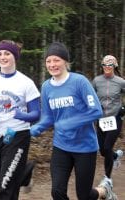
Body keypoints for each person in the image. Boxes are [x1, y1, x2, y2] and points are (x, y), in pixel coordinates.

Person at [30, 42, 118, 200]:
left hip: (85, 147)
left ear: (65, 61)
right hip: (61, 146)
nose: (52, 64)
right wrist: (36, 129)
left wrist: (71, 122)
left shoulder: (79, 82)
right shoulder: (46, 87)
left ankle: (104, 191)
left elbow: (96, 110)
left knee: (84, 195)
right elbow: (49, 117)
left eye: (56, 60)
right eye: (48, 61)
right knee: (57, 191)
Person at [0, 39, 41, 200]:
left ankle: (18, 175)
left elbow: (36, 114)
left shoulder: (26, 83)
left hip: (17, 134)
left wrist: (22, 115)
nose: (3, 57)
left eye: (7, 54)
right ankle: (24, 173)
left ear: (15, 57)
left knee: (7, 182)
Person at [92, 55, 125, 187]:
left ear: (114, 67)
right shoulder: (96, 81)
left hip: (115, 118)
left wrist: (123, 108)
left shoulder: (120, 81)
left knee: (107, 147)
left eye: (110, 65)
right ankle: (115, 156)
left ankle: (107, 178)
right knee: (102, 150)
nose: (107, 67)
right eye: (105, 65)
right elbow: (90, 95)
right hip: (100, 119)